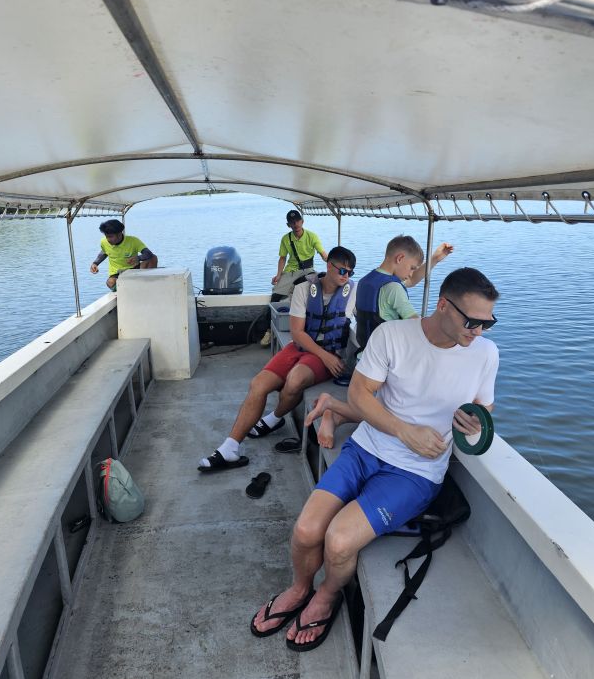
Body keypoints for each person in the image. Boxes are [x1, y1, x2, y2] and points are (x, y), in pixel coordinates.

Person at [250, 267, 499, 651]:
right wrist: (404, 431)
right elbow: (359, 395)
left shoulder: (485, 353)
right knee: (305, 531)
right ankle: (300, 588)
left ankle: (327, 594)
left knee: (338, 541)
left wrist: (474, 421)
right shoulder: (393, 335)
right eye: (472, 321)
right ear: (443, 306)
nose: (479, 331)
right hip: (367, 449)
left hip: (416, 472)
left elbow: (484, 407)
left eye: (488, 323)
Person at [198, 246, 357, 472]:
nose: (346, 276)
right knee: (258, 385)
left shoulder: (353, 292)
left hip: (329, 353)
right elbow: (297, 333)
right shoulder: (304, 289)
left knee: (295, 380)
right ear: (329, 265)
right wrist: (323, 356)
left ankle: (274, 417)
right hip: (303, 348)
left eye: (350, 272)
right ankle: (229, 448)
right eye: (342, 270)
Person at [306, 236, 454, 442]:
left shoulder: (366, 281)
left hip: (364, 358)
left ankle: (334, 414)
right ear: (400, 258)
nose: (411, 273)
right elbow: (418, 326)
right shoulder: (393, 289)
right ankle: (332, 406)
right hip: (385, 366)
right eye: (411, 267)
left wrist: (435, 258)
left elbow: (409, 281)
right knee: (394, 417)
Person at [259, 210, 328, 347]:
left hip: (308, 270)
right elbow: (282, 258)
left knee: (314, 292)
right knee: (275, 296)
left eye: (297, 221)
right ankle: (269, 331)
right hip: (290, 271)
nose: (295, 224)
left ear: (302, 221)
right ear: (288, 225)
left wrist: (333, 265)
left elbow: (323, 254)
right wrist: (279, 275)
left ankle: (313, 329)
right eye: (292, 222)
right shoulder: (286, 239)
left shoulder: (312, 236)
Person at [90, 219, 157, 291]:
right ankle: (128, 288)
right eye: (106, 236)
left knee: (153, 258)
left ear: (119, 234)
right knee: (110, 283)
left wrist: (138, 258)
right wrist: (95, 263)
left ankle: (147, 284)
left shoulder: (133, 241)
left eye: (110, 236)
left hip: (135, 269)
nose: (108, 239)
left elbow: (148, 253)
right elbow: (104, 252)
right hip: (117, 273)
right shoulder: (103, 242)